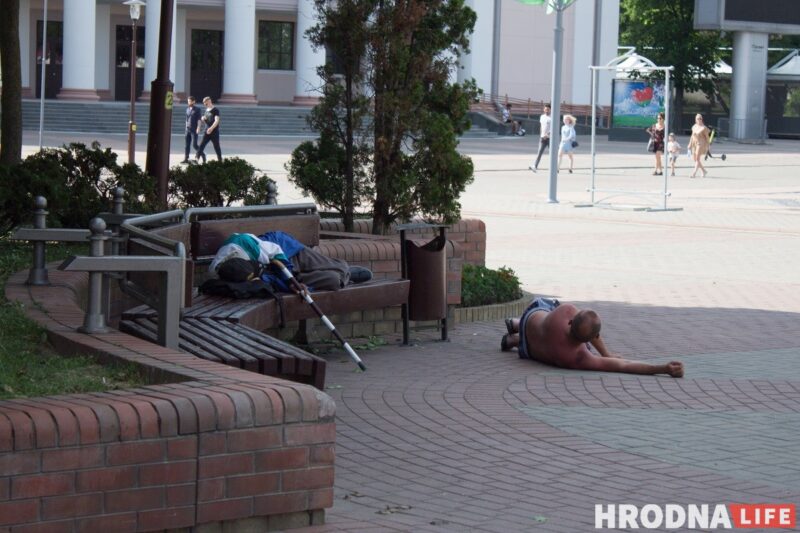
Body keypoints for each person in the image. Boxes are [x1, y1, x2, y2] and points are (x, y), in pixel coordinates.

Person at [500, 297, 684, 377]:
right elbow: (624, 365)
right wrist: (663, 368)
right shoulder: (578, 358)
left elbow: (581, 322)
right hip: (527, 351)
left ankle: (517, 327)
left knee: (545, 311)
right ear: (590, 339)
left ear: (571, 321)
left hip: (531, 318)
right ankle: (514, 340)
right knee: (541, 341)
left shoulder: (566, 311)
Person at [210, 231, 373, 292]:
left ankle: (346, 271)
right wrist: (296, 286)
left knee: (341, 266)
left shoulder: (247, 245)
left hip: (287, 251)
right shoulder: (220, 271)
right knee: (334, 281)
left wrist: (289, 278)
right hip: (274, 272)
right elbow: (267, 281)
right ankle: (344, 277)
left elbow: (277, 252)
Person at [196, 96, 222, 163]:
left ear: (210, 101)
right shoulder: (206, 110)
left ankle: (220, 161)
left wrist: (211, 128)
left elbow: (217, 121)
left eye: (206, 103)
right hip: (206, 131)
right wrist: (203, 119)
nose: (205, 105)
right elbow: (207, 121)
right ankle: (196, 159)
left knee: (216, 147)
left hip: (214, 132)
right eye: (204, 104)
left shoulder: (215, 110)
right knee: (201, 145)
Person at [529, 104, 551, 172]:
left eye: (548, 109)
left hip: (550, 139)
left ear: (550, 110)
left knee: (552, 154)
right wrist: (541, 135)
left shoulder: (552, 117)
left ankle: (554, 168)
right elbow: (541, 126)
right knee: (539, 153)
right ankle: (535, 166)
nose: (546, 110)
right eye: (545, 109)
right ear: (543, 109)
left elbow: (553, 128)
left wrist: (547, 135)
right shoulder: (542, 117)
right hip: (542, 138)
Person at [688, 113, 710, 178]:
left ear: (702, 119)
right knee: (695, 159)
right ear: (695, 120)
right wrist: (690, 144)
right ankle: (704, 171)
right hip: (695, 143)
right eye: (698, 118)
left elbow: (707, 138)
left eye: (700, 118)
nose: (699, 120)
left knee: (697, 158)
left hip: (701, 143)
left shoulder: (704, 128)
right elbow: (692, 136)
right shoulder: (694, 126)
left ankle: (694, 173)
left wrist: (708, 146)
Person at [182, 96, 203, 164]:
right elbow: (187, 119)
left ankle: (202, 154)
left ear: (193, 101)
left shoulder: (197, 109)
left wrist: (198, 127)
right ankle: (186, 159)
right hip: (187, 130)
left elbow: (199, 119)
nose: (189, 102)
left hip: (194, 130)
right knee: (186, 145)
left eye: (190, 101)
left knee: (194, 145)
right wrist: (186, 127)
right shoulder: (187, 109)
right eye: (188, 101)